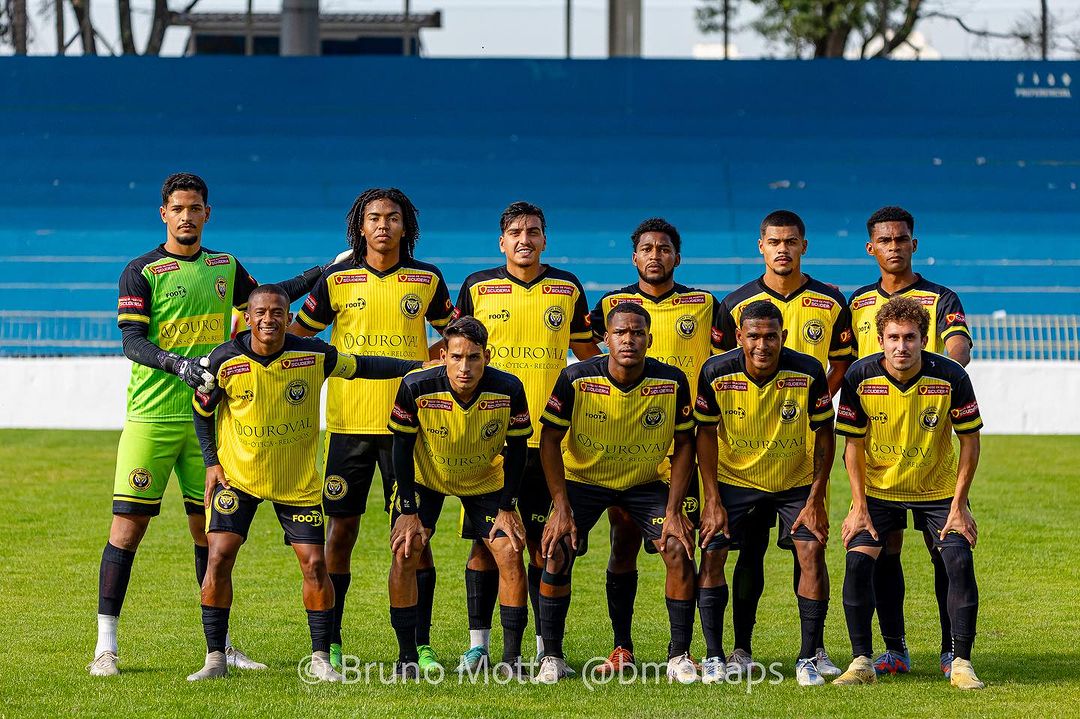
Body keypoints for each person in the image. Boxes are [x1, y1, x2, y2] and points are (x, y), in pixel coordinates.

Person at [90, 172, 326, 677]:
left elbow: (270, 295)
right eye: (178, 208)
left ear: (207, 214)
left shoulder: (224, 266)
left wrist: (324, 270)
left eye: (195, 208)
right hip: (152, 418)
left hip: (212, 425)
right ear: (164, 214)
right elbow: (132, 342)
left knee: (212, 539)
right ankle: (105, 645)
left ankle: (219, 649)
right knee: (127, 531)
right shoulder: (141, 271)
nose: (187, 217)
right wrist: (180, 365)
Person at [186, 284, 423, 681]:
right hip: (238, 479)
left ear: (286, 316)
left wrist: (410, 368)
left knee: (315, 565)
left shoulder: (313, 354)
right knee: (219, 556)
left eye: (277, 312)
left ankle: (320, 659)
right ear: (247, 316)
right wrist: (211, 463)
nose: (268, 320)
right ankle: (215, 658)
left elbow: (362, 366)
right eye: (260, 313)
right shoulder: (222, 360)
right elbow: (201, 410)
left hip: (296, 483)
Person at [290, 187, 455, 673]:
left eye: (393, 218)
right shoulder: (338, 279)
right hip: (348, 425)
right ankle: (332, 641)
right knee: (340, 533)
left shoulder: (427, 279)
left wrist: (426, 371)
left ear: (407, 226)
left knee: (414, 538)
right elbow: (299, 335)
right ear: (359, 227)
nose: (383, 226)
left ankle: (418, 645)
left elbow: (454, 336)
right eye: (374, 218)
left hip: (409, 428)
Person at [452, 201, 596, 672]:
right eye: (515, 231)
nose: (524, 239)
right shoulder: (477, 286)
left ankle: (546, 649)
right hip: (488, 442)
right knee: (486, 544)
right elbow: (456, 348)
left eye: (533, 231)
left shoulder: (567, 287)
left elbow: (589, 351)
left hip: (549, 441)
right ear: (502, 241)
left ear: (544, 239)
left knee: (546, 546)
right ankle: (479, 646)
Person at [715, 209, 853, 677]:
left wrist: (809, 400)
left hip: (800, 451)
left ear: (803, 245)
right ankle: (738, 650)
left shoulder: (831, 300)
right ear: (761, 246)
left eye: (791, 241)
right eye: (774, 241)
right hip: (744, 461)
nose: (783, 249)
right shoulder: (734, 302)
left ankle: (812, 652)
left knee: (808, 547)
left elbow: (840, 363)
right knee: (746, 553)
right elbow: (727, 374)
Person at [585, 217, 722, 675]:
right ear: (634, 257)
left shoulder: (704, 304)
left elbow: (723, 357)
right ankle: (621, 648)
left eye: (664, 249)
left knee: (683, 543)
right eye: (646, 248)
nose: (655, 255)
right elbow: (591, 354)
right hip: (627, 443)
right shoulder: (611, 304)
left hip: (682, 440)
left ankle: (687, 651)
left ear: (676, 257)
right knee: (622, 541)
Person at [535, 302, 698, 684]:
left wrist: (674, 510)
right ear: (606, 339)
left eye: (638, 333)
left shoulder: (672, 381)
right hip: (584, 481)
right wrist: (560, 507)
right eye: (621, 333)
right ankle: (552, 657)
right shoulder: (576, 378)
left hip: (643, 482)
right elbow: (549, 440)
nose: (629, 340)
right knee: (556, 549)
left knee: (676, 546)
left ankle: (678, 655)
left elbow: (685, 443)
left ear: (650, 340)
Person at [833, 296, 984, 690]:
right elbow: (852, 446)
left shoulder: (950, 376)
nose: (902, 346)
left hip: (937, 488)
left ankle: (960, 661)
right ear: (880, 340)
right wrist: (858, 506)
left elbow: (970, 441)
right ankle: (865, 659)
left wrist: (960, 505)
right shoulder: (858, 377)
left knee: (957, 559)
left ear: (923, 339)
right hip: (879, 489)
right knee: (859, 561)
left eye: (911, 338)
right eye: (894, 338)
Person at [848, 206, 973, 678]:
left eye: (902, 239)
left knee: (944, 548)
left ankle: (951, 650)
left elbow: (958, 347)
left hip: (926, 438)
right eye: (886, 240)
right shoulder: (858, 301)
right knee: (885, 548)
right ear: (872, 248)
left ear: (913, 244)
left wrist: (934, 377)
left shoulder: (941, 297)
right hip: (876, 444)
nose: (895, 246)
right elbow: (848, 360)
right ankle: (893, 648)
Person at [694, 300, 835, 686]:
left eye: (770, 336)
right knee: (714, 552)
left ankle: (809, 656)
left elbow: (825, 431)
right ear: (738, 336)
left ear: (783, 337)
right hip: (734, 482)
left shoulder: (807, 370)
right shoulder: (715, 371)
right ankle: (715, 655)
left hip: (793, 483)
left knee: (811, 550)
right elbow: (704, 432)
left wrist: (816, 497)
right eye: (753, 336)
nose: (762, 344)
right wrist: (712, 499)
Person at [387, 316, 531, 678]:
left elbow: (517, 450)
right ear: (443, 355)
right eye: (455, 357)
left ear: (487, 355)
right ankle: (408, 655)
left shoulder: (510, 388)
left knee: (510, 551)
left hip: (485, 481)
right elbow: (401, 448)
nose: (464, 367)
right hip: (427, 478)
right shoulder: (416, 386)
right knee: (406, 550)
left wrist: (508, 507)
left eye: (473, 357)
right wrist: (407, 510)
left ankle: (511, 660)